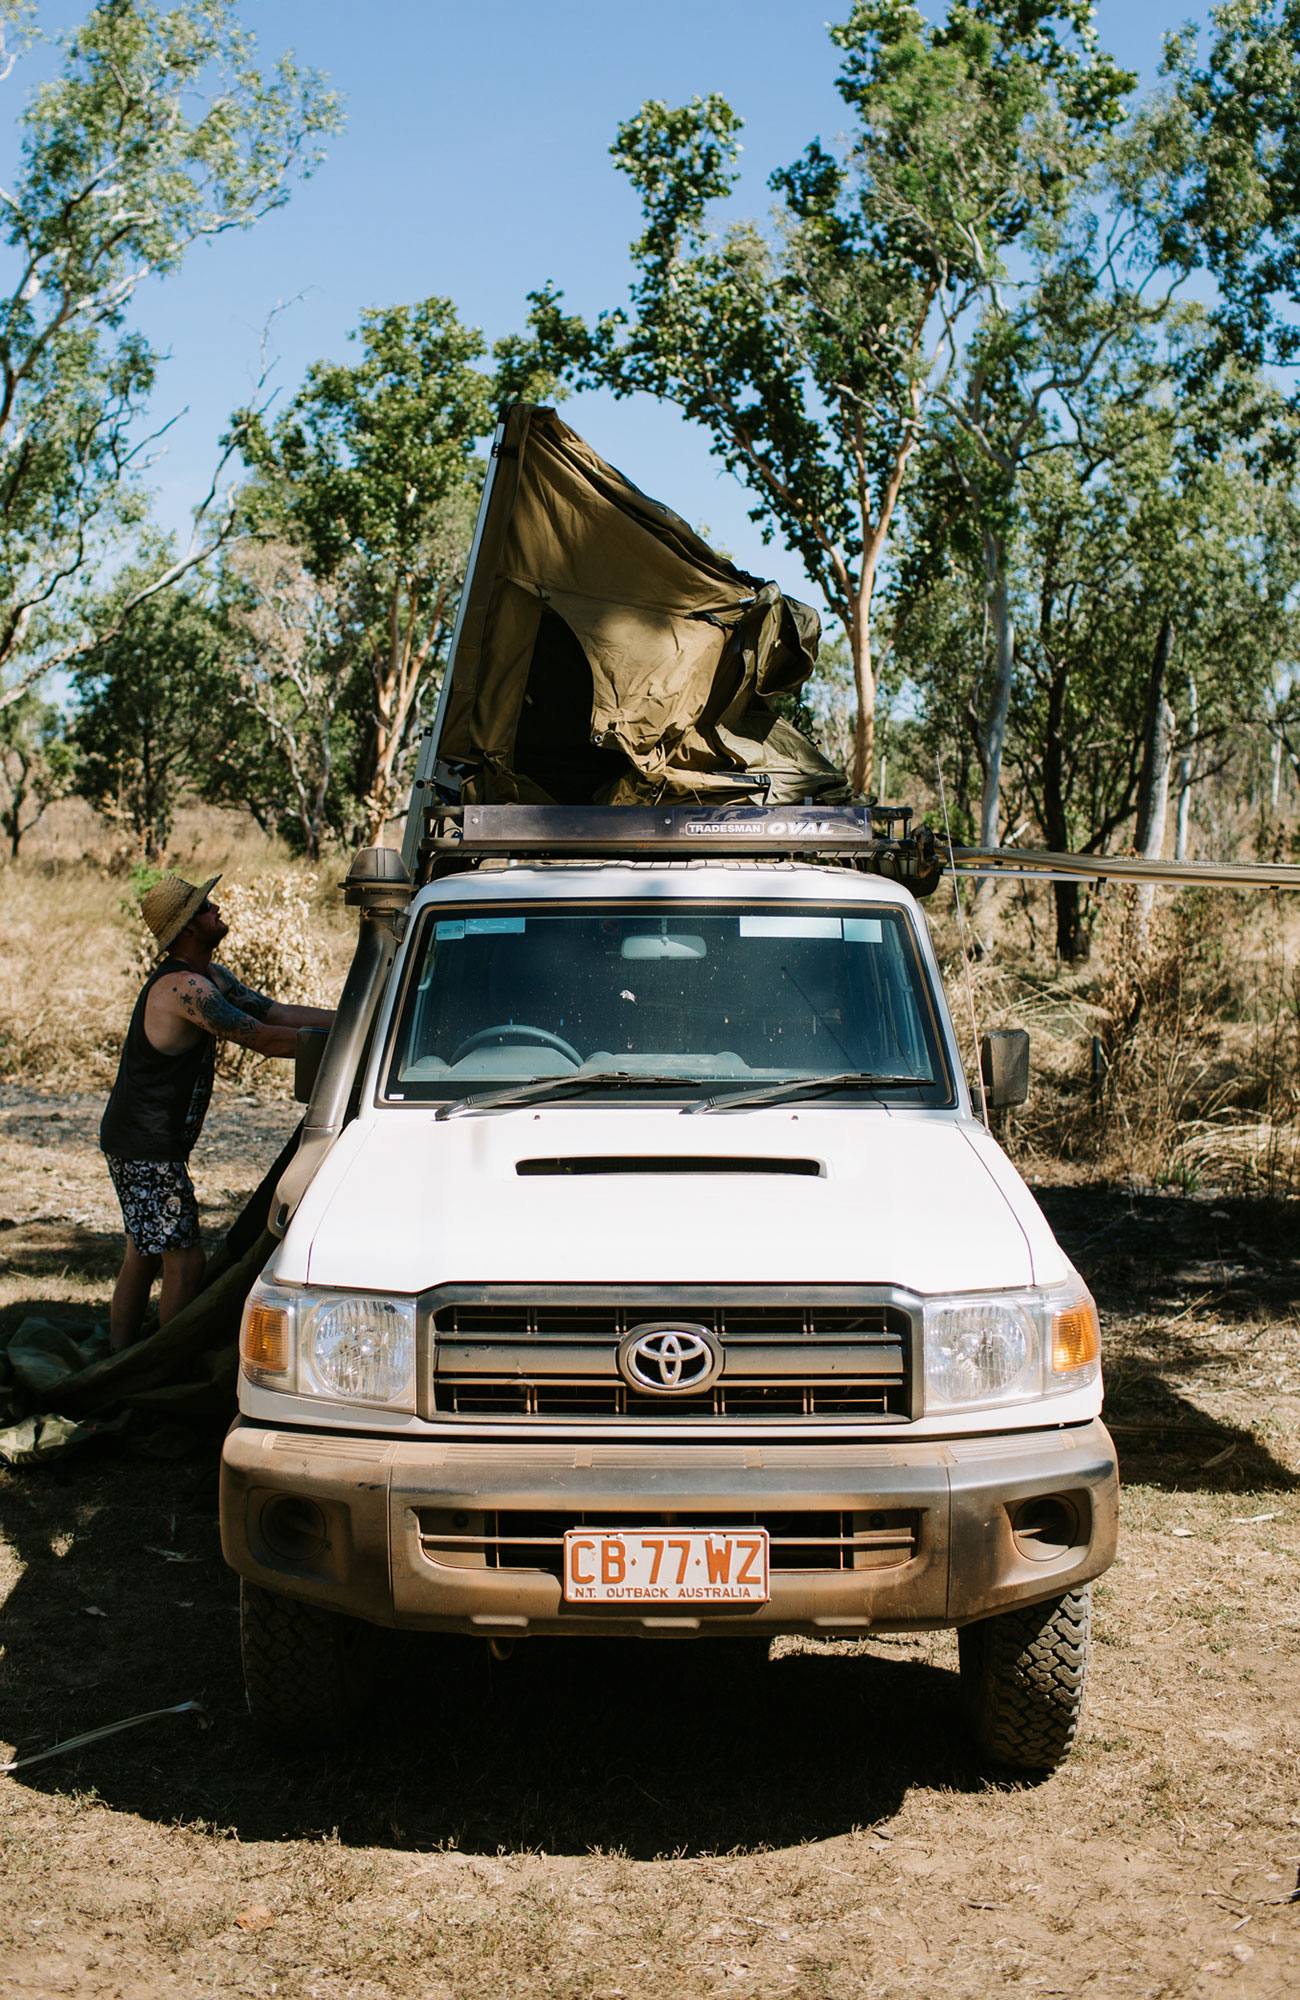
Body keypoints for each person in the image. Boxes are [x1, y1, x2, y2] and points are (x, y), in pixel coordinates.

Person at [100, 872, 335, 1351]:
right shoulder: (182, 988)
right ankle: (161, 1368)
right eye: (207, 908)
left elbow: (276, 1014)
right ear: (188, 927)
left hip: (142, 1140)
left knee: (144, 1254)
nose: (217, 910)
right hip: (145, 1145)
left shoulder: (210, 977)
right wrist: (355, 1047)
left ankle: (119, 1363)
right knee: (184, 1263)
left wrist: (365, 1017)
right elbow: (263, 1039)